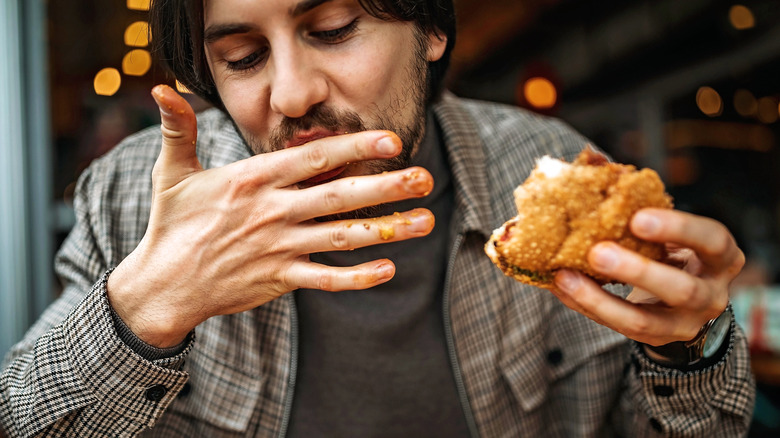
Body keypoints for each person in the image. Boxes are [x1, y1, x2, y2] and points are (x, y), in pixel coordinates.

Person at [0, 0, 755, 436]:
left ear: (429, 28)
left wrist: (690, 349)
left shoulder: (549, 166)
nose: (290, 94)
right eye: (241, 57)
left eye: (331, 28)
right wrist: (144, 309)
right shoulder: (133, 194)